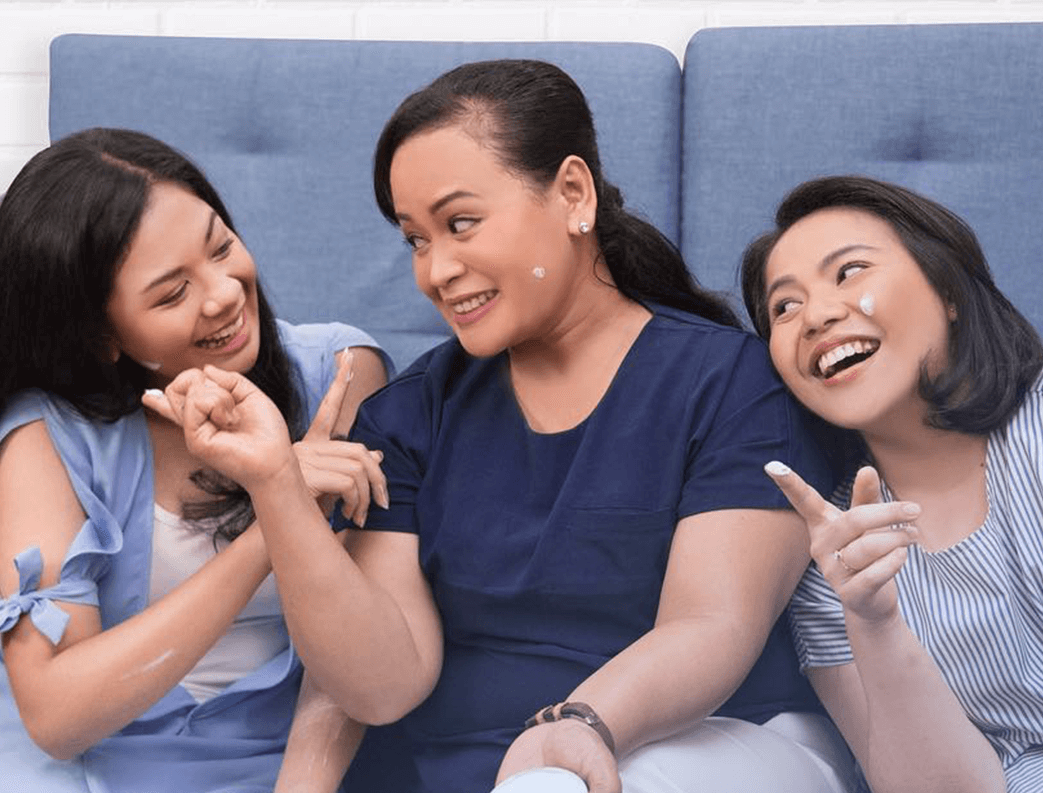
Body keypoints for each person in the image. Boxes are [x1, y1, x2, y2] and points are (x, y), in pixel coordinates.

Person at [145, 59, 860, 793]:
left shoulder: (734, 384)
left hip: (710, 748)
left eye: (460, 223)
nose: (436, 270)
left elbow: (713, 625)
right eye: (416, 240)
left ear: (572, 194)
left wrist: (575, 727)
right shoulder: (409, 414)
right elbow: (383, 684)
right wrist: (276, 484)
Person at [0, 127, 390, 793]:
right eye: (171, 294)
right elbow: (58, 715)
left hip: (293, 763)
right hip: (88, 768)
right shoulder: (47, 433)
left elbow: (364, 655)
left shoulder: (340, 375)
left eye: (221, 246)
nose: (224, 295)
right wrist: (280, 508)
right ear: (101, 333)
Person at [740, 174, 1043, 793]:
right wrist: (873, 622)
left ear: (949, 288)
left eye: (848, 272)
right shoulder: (829, 564)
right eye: (784, 307)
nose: (817, 316)